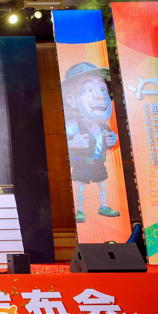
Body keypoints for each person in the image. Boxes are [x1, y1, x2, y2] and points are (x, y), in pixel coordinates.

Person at [62, 62, 120, 223]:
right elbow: (62, 142)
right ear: (71, 99)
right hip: (83, 162)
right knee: (80, 187)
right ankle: (79, 211)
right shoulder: (74, 125)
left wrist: (113, 140)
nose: (100, 96)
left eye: (103, 90)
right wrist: (73, 143)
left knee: (102, 185)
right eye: (89, 90)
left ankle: (104, 206)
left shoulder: (103, 127)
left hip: (98, 162)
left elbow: (109, 143)